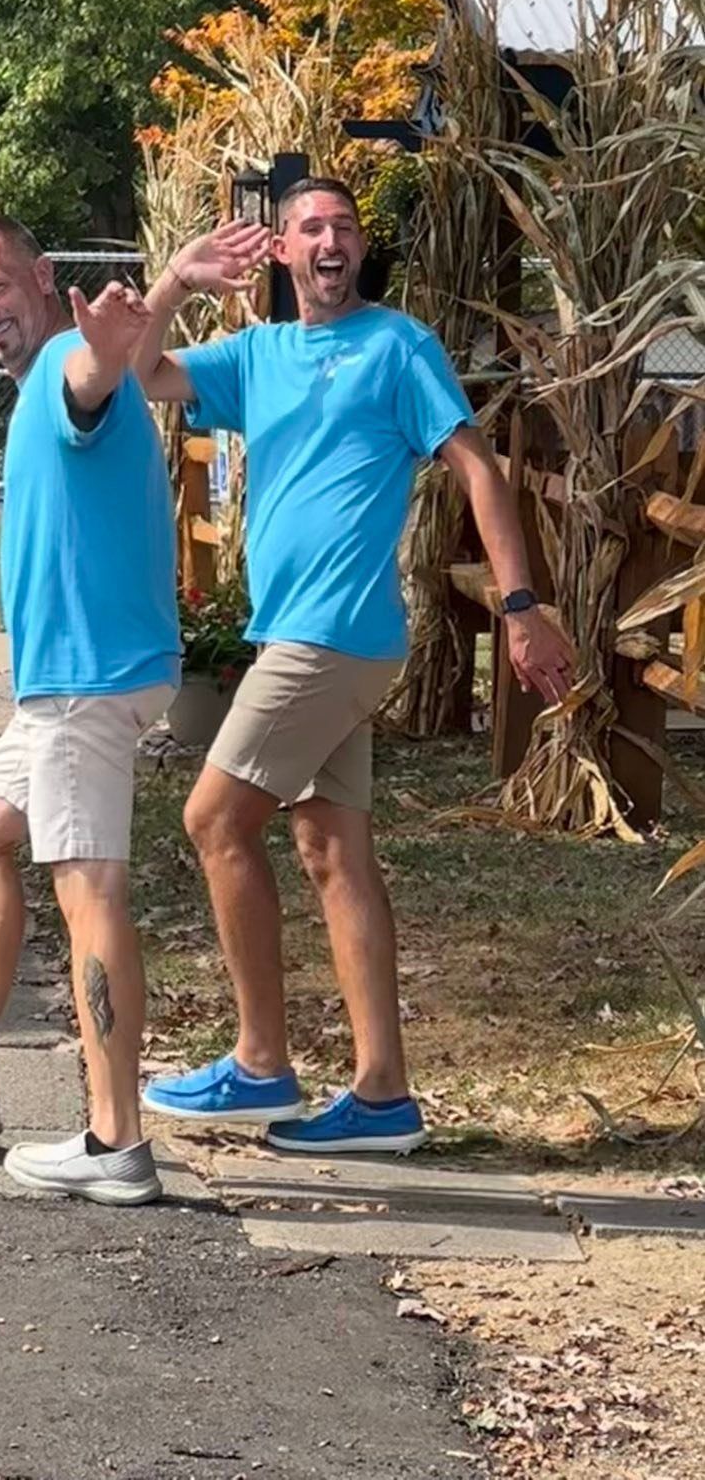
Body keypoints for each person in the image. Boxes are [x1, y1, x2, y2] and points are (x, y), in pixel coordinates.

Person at [133, 183, 574, 1155]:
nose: (330, 240)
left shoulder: (395, 345)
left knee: (212, 818)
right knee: (331, 850)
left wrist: (518, 605)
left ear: (358, 247)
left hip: (330, 636)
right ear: (284, 252)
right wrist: (174, 277)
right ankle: (381, 1094)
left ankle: (257, 1064)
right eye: (311, 228)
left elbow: (476, 469)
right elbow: (131, 370)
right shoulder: (255, 355)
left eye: (343, 227)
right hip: (303, 634)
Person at [0, 216, 183, 1204]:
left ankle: (115, 1141)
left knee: (87, 887)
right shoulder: (39, 383)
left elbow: (91, 384)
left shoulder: (67, 359)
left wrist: (105, 350)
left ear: (42, 278)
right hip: (68, 683)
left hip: (84, 682)